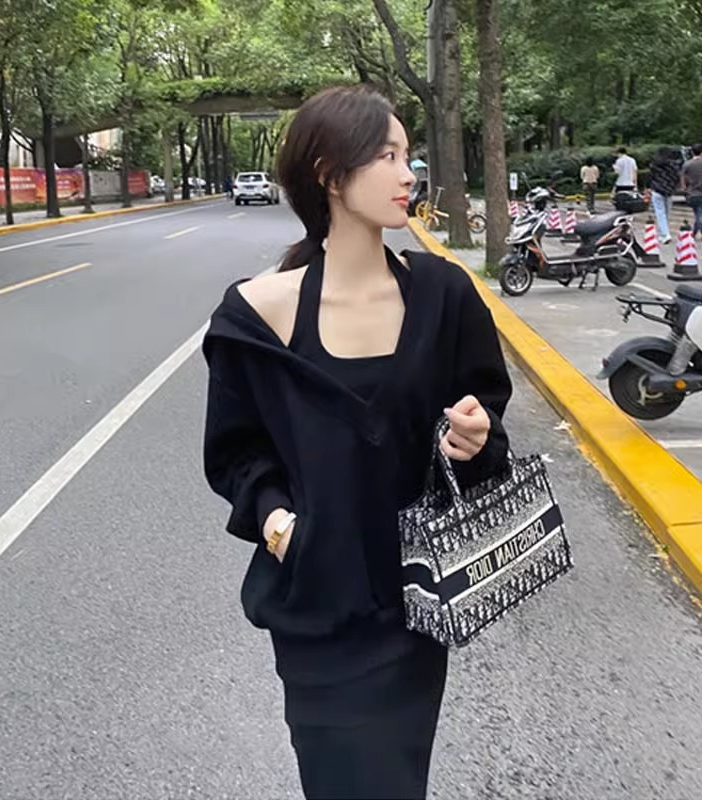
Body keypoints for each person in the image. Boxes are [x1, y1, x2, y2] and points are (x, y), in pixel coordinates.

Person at [202, 85, 512, 800]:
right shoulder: (257, 314)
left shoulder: (443, 294)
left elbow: (486, 423)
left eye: (409, 156)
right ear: (330, 175)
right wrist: (281, 526)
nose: (409, 174)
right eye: (387, 157)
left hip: (415, 612)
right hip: (318, 611)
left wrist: (474, 438)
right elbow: (236, 452)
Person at [648, 147, 681, 244]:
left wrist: (650, 187)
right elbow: (677, 177)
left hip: (657, 190)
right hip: (669, 191)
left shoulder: (654, 164)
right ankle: (664, 232)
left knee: (660, 213)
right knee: (666, 213)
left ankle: (665, 234)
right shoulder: (674, 165)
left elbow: (651, 177)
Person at [680, 143, 702, 240]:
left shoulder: (687, 164)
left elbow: (682, 177)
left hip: (692, 193)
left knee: (698, 213)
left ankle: (693, 233)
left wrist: (684, 188)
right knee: (700, 214)